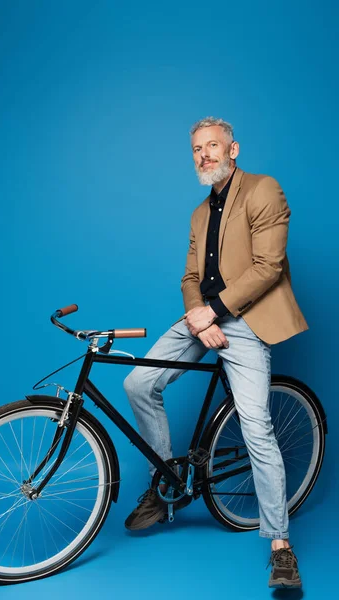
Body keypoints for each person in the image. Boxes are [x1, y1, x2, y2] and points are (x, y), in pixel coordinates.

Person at [123, 117, 308, 589]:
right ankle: (165, 488)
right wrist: (198, 314)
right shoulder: (199, 213)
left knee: (256, 428)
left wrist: (217, 311)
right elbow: (189, 278)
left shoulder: (264, 190)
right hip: (203, 316)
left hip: (247, 321)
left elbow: (269, 266)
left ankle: (280, 545)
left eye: (213, 146)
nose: (204, 155)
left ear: (233, 149)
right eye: (196, 150)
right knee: (138, 382)